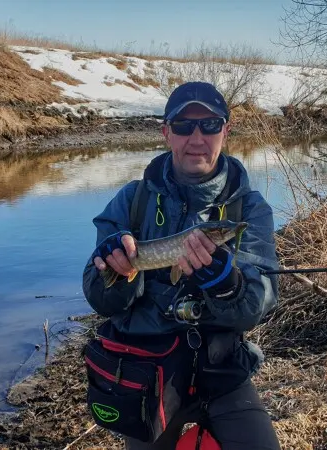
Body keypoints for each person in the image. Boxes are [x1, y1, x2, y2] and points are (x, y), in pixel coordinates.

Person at [81, 81, 281, 450]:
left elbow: (258, 303)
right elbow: (100, 299)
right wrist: (114, 272)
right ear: (166, 132)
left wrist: (228, 285)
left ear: (226, 130)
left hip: (220, 369)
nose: (197, 138)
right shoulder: (131, 200)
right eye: (184, 126)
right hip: (146, 371)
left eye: (209, 125)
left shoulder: (249, 209)